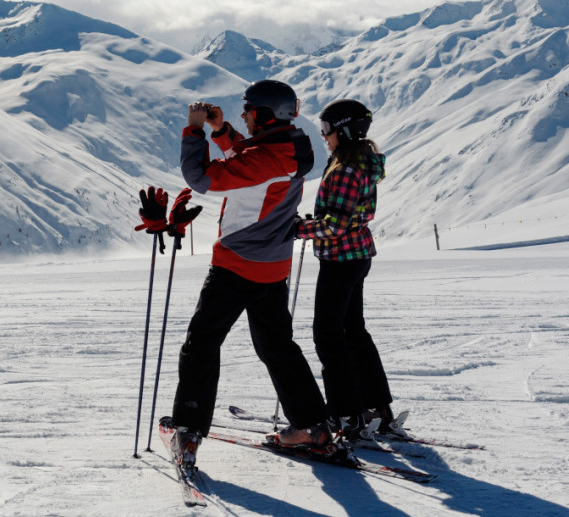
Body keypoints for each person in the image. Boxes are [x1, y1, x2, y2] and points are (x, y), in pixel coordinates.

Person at [166, 80, 333, 468]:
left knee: (201, 347)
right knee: (277, 347)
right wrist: (222, 131)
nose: (243, 116)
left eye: (247, 111)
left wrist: (193, 130)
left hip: (237, 266)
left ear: (263, 114)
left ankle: (188, 433)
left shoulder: (265, 159)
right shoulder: (292, 145)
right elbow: (250, 155)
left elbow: (201, 178)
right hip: (273, 266)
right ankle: (313, 427)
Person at [294, 99, 398, 438]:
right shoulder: (364, 163)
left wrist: (299, 228)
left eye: (327, 130)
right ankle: (376, 407)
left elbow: (335, 225)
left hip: (340, 259)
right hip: (357, 255)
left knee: (328, 335)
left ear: (346, 131)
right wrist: (316, 224)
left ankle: (346, 415)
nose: (324, 136)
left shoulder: (344, 170)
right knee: (353, 332)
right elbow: (346, 217)